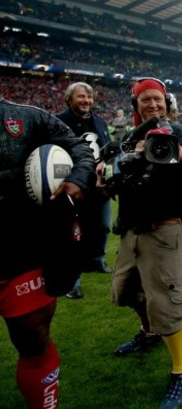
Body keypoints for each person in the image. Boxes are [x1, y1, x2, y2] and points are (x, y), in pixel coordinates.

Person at [105, 78, 182, 409]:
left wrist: (171, 146)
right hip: (131, 229)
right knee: (127, 291)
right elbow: (115, 178)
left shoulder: (178, 130)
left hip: (165, 228)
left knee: (167, 300)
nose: (153, 105)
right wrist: (109, 170)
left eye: (158, 99)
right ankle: (148, 332)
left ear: (166, 101)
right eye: (145, 100)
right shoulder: (128, 138)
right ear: (136, 105)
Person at [1, 97, 96, 409]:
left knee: (33, 338)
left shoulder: (27, 117)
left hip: (19, 253)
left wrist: (78, 176)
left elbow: (79, 146)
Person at [55, 82, 113, 301]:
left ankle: (97, 260)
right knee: (75, 233)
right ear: (69, 99)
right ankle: (73, 281)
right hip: (76, 184)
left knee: (103, 226)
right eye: (81, 97)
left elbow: (106, 150)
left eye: (89, 98)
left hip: (100, 185)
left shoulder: (98, 121)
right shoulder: (59, 121)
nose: (86, 101)